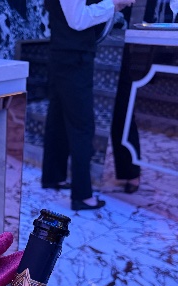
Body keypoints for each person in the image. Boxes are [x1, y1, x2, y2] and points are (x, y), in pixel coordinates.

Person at [42, 0, 136, 211]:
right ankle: (82, 195)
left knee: (58, 118)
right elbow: (78, 19)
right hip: (73, 56)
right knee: (82, 125)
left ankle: (53, 176)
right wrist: (113, 4)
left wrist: (113, 6)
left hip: (64, 53)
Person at [111, 5, 141, 194]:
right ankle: (83, 169)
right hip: (85, 41)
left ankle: (130, 171)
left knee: (122, 108)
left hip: (117, 41)